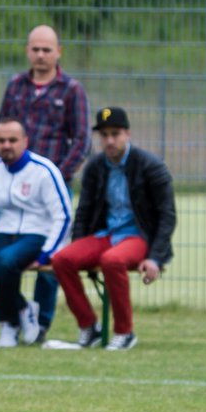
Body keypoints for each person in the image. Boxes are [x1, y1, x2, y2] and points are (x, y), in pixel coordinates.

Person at [51, 107, 176, 351]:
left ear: (127, 133)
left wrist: (155, 258)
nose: (109, 140)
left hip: (139, 236)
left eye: (115, 134)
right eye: (104, 135)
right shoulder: (95, 167)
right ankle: (89, 327)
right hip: (105, 235)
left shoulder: (152, 166)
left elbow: (167, 216)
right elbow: (84, 211)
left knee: (112, 260)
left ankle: (124, 332)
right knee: (62, 259)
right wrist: (78, 244)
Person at [0, 24, 91, 340]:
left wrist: (58, 175)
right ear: (27, 51)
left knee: (50, 252)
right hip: (14, 184)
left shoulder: (71, 90)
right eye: (35, 49)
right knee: (6, 248)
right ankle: (16, 313)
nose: (40, 55)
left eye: (46, 49)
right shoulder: (15, 87)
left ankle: (41, 322)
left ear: (58, 52)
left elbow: (81, 139)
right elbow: (2, 130)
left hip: (52, 186)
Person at [0, 118, 71, 348]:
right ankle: (21, 307)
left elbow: (63, 215)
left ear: (25, 141)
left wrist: (46, 254)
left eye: (12, 140)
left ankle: (9, 322)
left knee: (5, 260)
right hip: (5, 233)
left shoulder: (44, 170)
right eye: (1, 141)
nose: (7, 145)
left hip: (36, 234)